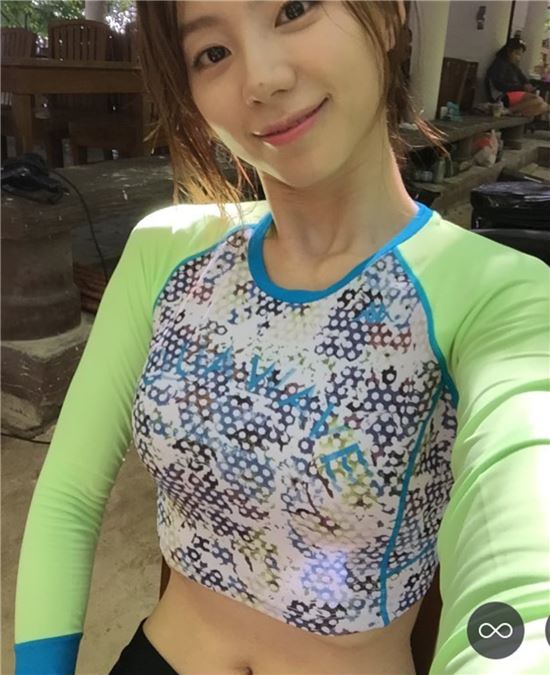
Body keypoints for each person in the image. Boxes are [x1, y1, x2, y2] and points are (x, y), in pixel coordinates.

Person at [13, 2, 550, 675]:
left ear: (388, 15)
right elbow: (68, 496)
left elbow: (524, 582)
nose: (261, 79)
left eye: (294, 9)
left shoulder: (499, 293)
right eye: (212, 53)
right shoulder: (169, 253)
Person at [486, 37, 549, 118]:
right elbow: (499, 85)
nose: (518, 57)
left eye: (520, 54)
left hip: (515, 95)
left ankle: (514, 112)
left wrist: (527, 85)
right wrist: (521, 87)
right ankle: (508, 110)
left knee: (544, 106)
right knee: (537, 100)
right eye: (516, 53)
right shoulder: (499, 64)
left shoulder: (513, 66)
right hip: (503, 96)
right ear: (509, 51)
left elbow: (523, 78)